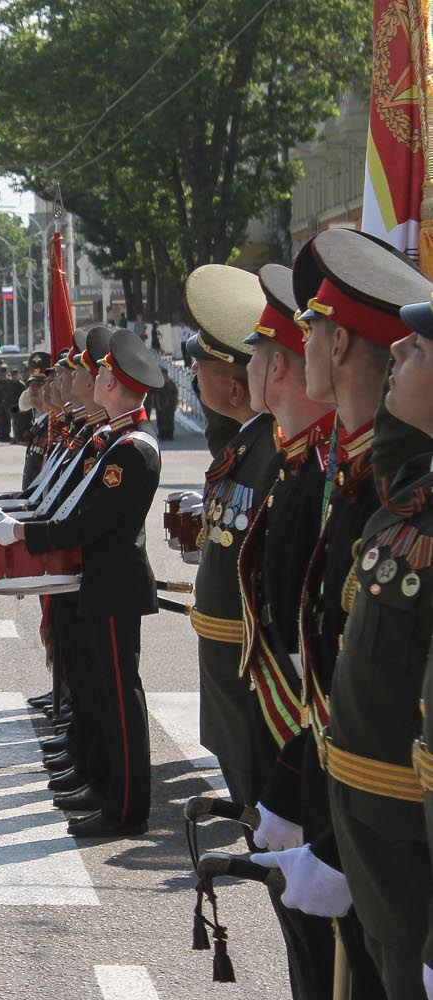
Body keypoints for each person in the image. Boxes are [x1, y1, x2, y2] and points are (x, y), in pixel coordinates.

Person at [248, 229, 432, 1000]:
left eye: (314, 327)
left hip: (393, 823)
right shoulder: (366, 485)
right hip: (354, 805)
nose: (302, 341)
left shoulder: (390, 496)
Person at [0, 329, 165, 837]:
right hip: (98, 582)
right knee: (101, 694)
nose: (96, 378)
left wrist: (23, 531)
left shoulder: (132, 449)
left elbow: (89, 525)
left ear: (115, 384)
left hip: (113, 586)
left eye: (104, 373)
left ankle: (126, 807)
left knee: (118, 700)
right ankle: (105, 785)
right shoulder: (115, 439)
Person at [235, 262, 341, 999]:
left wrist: (293, 779)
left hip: (311, 747)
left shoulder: (322, 477)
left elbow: (319, 647)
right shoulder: (296, 466)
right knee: (305, 941)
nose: (247, 368)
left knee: (327, 948)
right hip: (290, 741)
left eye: (253, 354)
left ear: (276, 366)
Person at [176, 264, 281, 817]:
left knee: (267, 814)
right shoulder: (245, 443)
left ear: (236, 383)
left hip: (251, 662)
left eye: (202, 366)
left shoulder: (274, 452)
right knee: (251, 801)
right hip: (227, 654)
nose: (193, 375)